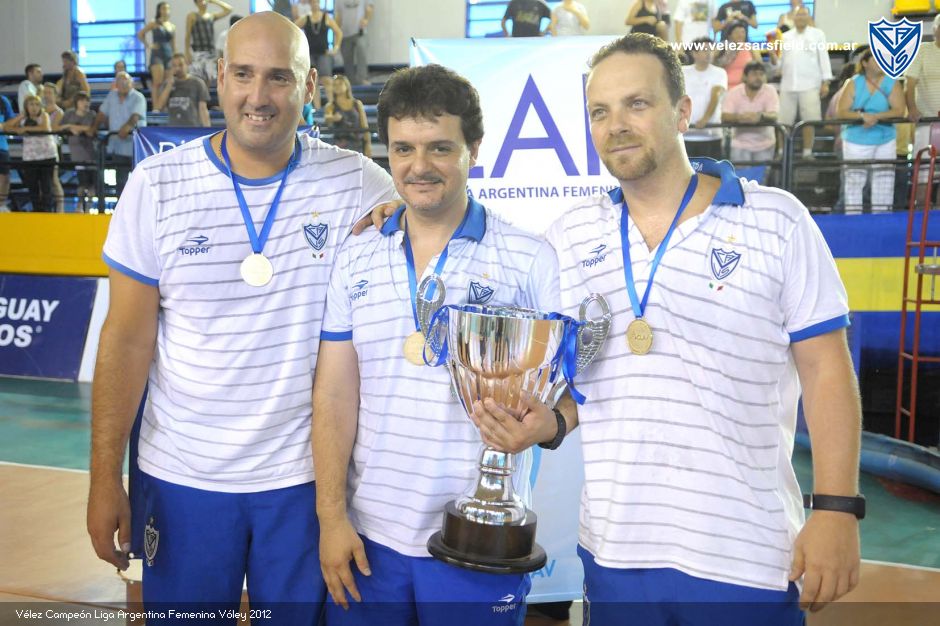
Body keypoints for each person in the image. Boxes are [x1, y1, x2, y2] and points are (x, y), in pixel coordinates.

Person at [478, 32, 862, 625]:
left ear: (682, 112)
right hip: (616, 548)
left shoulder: (777, 219)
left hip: (746, 554)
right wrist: (552, 423)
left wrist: (836, 508)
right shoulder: (572, 236)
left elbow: (827, 371)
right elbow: (596, 376)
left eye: (637, 103)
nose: (616, 126)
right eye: (599, 112)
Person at [86, 11, 395, 624]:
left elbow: (428, 225)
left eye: (280, 77)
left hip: (305, 484)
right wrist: (103, 479)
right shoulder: (157, 185)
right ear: (220, 78)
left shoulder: (359, 184)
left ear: (309, 86)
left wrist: (406, 217)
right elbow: (125, 341)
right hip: (182, 479)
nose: (259, 96)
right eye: (245, 75)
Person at [312, 62, 561, 626]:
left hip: (478, 541)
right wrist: (331, 517)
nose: (418, 167)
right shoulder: (357, 253)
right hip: (369, 539)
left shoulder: (529, 258)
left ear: (475, 150)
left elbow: (570, 384)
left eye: (440, 148)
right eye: (403, 149)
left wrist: (550, 425)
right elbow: (333, 396)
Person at [836, 48, 904, 214]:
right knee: (854, 180)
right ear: (865, 63)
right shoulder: (852, 83)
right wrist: (862, 117)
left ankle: (882, 218)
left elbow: (899, 110)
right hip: (856, 140)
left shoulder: (891, 82)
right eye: (876, 58)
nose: (880, 62)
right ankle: (853, 218)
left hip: (885, 138)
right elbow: (841, 111)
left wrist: (874, 117)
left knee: (885, 179)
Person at [777, 6, 832, 160]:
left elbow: (824, 58)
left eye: (803, 15)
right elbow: (778, 64)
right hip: (788, 85)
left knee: (809, 121)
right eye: (798, 15)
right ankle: (781, 152)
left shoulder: (817, 34)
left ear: (808, 17)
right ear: (793, 18)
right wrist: (773, 57)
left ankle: (807, 152)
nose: (800, 17)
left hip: (810, 85)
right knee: (783, 122)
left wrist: (826, 82)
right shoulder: (784, 37)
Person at [91, 71, 147, 196]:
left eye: (126, 81)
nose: (123, 84)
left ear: (132, 83)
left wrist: (126, 127)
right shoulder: (112, 95)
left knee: (139, 181)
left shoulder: (138, 97)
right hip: (117, 147)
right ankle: (121, 206)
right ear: (116, 84)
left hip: (135, 147)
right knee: (120, 181)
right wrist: (93, 127)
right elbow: (101, 113)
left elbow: (135, 117)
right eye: (120, 81)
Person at [905, 14, 940, 204]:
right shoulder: (922, 50)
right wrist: (912, 108)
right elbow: (909, 83)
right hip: (927, 121)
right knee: (923, 171)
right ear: (934, 29)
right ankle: (919, 210)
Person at [722, 61, 779, 168]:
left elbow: (774, 115)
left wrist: (760, 116)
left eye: (761, 74)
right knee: (741, 178)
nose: (758, 77)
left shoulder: (770, 91)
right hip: (740, 145)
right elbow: (725, 116)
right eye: (754, 74)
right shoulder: (734, 92)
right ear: (745, 77)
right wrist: (739, 117)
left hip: (765, 145)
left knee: (762, 178)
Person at [7, 95, 57, 212]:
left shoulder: (44, 115)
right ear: (26, 107)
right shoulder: (23, 119)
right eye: (31, 104)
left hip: (47, 156)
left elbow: (45, 128)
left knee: (46, 185)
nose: (34, 107)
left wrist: (25, 129)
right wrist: (20, 118)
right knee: (32, 185)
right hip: (30, 157)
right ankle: (36, 209)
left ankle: (47, 210)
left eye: (37, 104)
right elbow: (7, 127)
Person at [682, 37, 727, 159]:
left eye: (711, 50)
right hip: (686, 134)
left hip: (711, 134)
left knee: (711, 170)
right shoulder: (683, 72)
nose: (709, 53)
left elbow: (716, 95)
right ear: (694, 53)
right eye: (705, 50)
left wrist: (705, 119)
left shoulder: (720, 73)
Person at [295, 2, 343, 110]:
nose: (315, 4)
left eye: (317, 2)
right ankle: (317, 109)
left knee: (327, 80)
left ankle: (332, 107)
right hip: (310, 54)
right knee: (313, 81)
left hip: (324, 53)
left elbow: (338, 32)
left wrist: (335, 48)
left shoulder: (326, 18)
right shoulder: (305, 18)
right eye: (313, 2)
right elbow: (293, 29)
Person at [59, 91, 97, 212]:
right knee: (82, 181)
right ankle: (79, 205)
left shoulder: (92, 114)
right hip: (77, 153)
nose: (85, 103)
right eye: (82, 100)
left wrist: (73, 127)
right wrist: (69, 127)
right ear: (76, 102)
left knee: (92, 182)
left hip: (91, 153)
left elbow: (91, 128)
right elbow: (59, 127)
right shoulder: (69, 114)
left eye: (87, 100)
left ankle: (89, 207)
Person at [152, 53, 210, 127]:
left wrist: (207, 129)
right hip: (172, 128)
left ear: (187, 65)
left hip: (192, 127)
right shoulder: (167, 84)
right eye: (174, 66)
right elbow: (158, 107)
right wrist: (169, 86)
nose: (177, 68)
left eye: (180, 65)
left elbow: (203, 108)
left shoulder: (198, 83)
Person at [185, 0, 232, 87]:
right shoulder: (192, 16)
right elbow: (188, 34)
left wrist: (213, 1)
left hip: (210, 52)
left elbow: (228, 10)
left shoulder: (211, 16)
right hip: (198, 52)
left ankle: (205, 96)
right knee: (197, 78)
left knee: (209, 78)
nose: (203, 2)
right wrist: (187, 52)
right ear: (196, 3)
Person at [325, 74, 370, 157]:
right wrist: (333, 118)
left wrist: (368, 145)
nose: (337, 87)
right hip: (339, 146)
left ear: (346, 86)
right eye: (335, 84)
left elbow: (364, 125)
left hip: (357, 144)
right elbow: (327, 117)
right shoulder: (330, 106)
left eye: (340, 84)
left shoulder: (357, 104)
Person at [137, 2, 176, 96]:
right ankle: (156, 104)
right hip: (157, 54)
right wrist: (148, 45)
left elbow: (173, 44)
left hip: (169, 55)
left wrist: (175, 57)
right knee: (157, 82)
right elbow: (140, 34)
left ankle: (165, 103)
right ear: (159, 10)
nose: (166, 11)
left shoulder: (172, 26)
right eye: (163, 8)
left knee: (168, 83)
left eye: (167, 8)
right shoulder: (154, 23)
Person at [714, 21, 762, 90]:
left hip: (746, 87)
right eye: (736, 32)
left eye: (743, 32)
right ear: (729, 35)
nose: (740, 35)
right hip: (725, 86)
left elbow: (760, 67)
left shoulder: (750, 48)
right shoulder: (722, 47)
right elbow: (713, 63)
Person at [336, 0, 374, 85]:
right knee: (347, 58)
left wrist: (366, 19)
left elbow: (370, 7)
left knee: (362, 52)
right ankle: (350, 82)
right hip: (345, 33)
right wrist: (337, 34)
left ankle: (362, 78)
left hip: (360, 31)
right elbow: (338, 15)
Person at [41, 83, 65, 213]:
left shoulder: (59, 112)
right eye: (45, 92)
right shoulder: (40, 110)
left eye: (49, 93)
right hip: (39, 148)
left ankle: (60, 208)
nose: (47, 95)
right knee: (42, 179)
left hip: (53, 148)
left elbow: (52, 129)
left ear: (56, 95)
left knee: (54, 179)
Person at [0, 95, 14, 212]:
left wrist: (3, 126)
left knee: (5, 177)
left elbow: (12, 121)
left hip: (2, 146)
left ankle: (1, 205)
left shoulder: (3, 101)